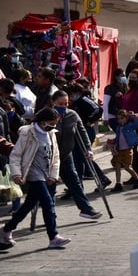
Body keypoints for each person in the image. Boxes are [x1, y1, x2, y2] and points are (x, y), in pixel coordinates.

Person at [0, 108, 70, 250]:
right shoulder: (27, 132)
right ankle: (53, 236)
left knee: (28, 205)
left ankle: (6, 229)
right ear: (43, 122)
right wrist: (17, 173)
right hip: (33, 173)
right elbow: (16, 155)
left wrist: (53, 175)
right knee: (48, 202)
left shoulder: (51, 133)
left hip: (46, 173)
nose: (53, 126)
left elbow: (55, 156)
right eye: (51, 123)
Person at [52, 91, 104, 219]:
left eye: (66, 103)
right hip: (50, 157)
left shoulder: (72, 115)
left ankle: (86, 209)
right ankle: (50, 214)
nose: (63, 106)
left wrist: (88, 149)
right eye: (60, 104)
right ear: (53, 102)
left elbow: (82, 132)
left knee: (75, 184)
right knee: (50, 187)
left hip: (66, 155)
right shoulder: (46, 114)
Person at [109, 110, 138, 192]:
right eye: (118, 119)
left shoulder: (130, 126)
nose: (120, 120)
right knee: (117, 166)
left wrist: (133, 116)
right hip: (119, 150)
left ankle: (137, 179)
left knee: (127, 167)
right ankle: (118, 184)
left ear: (126, 118)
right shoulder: (118, 128)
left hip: (127, 150)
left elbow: (137, 124)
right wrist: (113, 141)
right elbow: (118, 138)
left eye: (122, 118)